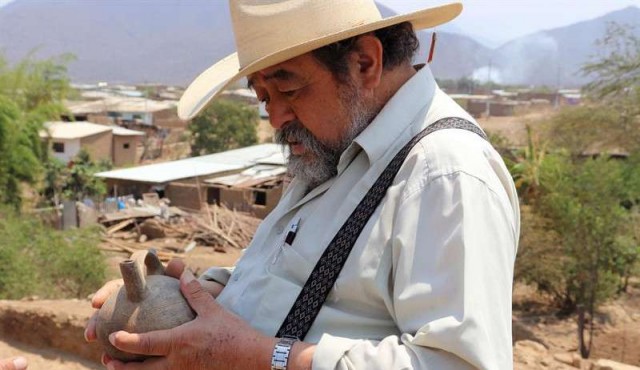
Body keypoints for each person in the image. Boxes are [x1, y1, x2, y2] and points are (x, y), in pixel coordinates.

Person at [85, 0, 520, 369]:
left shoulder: (445, 172)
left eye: (288, 89)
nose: (276, 118)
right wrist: (190, 295)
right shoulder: (333, 150)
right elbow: (304, 279)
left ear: (364, 63)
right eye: (263, 98)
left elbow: (457, 363)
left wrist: (260, 357)